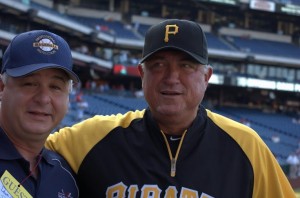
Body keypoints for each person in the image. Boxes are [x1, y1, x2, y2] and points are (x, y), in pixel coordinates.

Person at [46, 19, 295, 197]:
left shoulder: (247, 147)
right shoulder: (90, 139)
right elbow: (21, 147)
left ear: (206, 77)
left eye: (186, 65)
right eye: (158, 65)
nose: (171, 77)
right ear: (142, 74)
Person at [0, 30, 80, 197]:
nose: (43, 99)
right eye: (29, 83)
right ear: (2, 88)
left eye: (55, 87)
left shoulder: (67, 176)